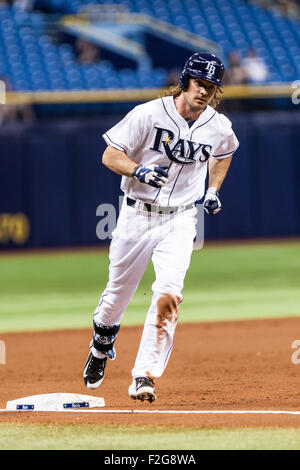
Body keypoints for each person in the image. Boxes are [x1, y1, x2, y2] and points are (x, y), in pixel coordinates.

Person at [83, 52, 239, 402]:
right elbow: (110, 154)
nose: (204, 92)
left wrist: (213, 189)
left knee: (169, 293)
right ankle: (101, 344)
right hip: (137, 214)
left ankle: (144, 375)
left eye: (211, 87)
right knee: (116, 296)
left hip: (182, 217)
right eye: (199, 84)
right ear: (186, 81)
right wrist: (138, 170)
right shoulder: (149, 114)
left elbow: (225, 151)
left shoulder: (217, 125)